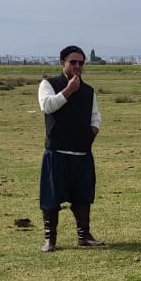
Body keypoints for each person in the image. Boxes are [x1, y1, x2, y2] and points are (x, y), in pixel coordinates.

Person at [37, 45, 107, 252]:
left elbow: (96, 117)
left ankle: (84, 236)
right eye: (73, 62)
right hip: (56, 152)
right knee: (51, 198)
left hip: (82, 153)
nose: (77, 66)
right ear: (62, 63)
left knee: (83, 196)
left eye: (81, 63)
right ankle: (50, 240)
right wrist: (68, 90)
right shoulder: (48, 84)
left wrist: (90, 134)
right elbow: (47, 106)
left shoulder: (88, 90)